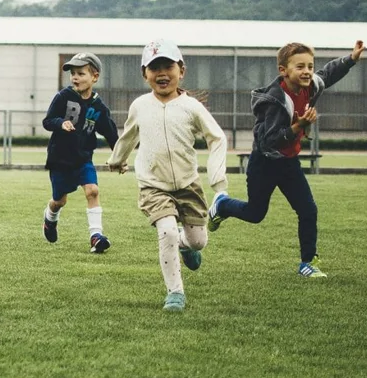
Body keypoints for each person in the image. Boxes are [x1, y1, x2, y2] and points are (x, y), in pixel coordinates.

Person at [210, 40, 365, 278]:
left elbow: (328, 74)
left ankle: (307, 263)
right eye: (300, 67)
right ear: (283, 70)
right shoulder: (275, 100)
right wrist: (299, 125)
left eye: (310, 66)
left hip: (289, 163)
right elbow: (270, 140)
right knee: (255, 214)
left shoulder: (310, 86)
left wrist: (351, 59)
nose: (307, 72)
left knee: (308, 210)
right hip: (264, 162)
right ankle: (222, 204)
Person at [106, 39, 228, 313]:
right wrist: (117, 160)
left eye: (168, 66)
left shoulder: (192, 107)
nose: (162, 73)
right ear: (144, 73)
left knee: (198, 241)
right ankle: (175, 292)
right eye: (154, 67)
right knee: (168, 231)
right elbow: (128, 136)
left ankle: (186, 246)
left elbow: (217, 137)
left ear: (181, 70)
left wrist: (218, 178)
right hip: (153, 185)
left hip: (188, 184)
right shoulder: (140, 105)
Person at [41, 52, 120, 253]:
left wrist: (120, 157)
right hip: (60, 159)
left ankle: (96, 236)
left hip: (83, 159)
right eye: (73, 73)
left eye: (81, 73)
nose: (75, 77)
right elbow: (47, 121)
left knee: (92, 191)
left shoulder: (99, 107)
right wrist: (60, 123)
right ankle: (50, 217)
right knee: (60, 200)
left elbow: (111, 133)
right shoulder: (63, 97)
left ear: (95, 77)